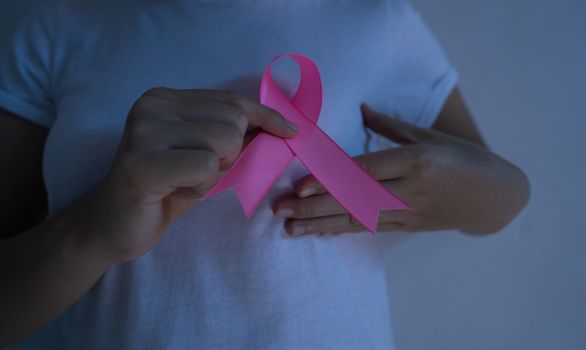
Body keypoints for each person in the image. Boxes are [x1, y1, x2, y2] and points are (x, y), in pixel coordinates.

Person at [0, 0, 530, 349]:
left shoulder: (373, 19)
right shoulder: (53, 30)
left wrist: (451, 190)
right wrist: (92, 232)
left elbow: (501, 194)